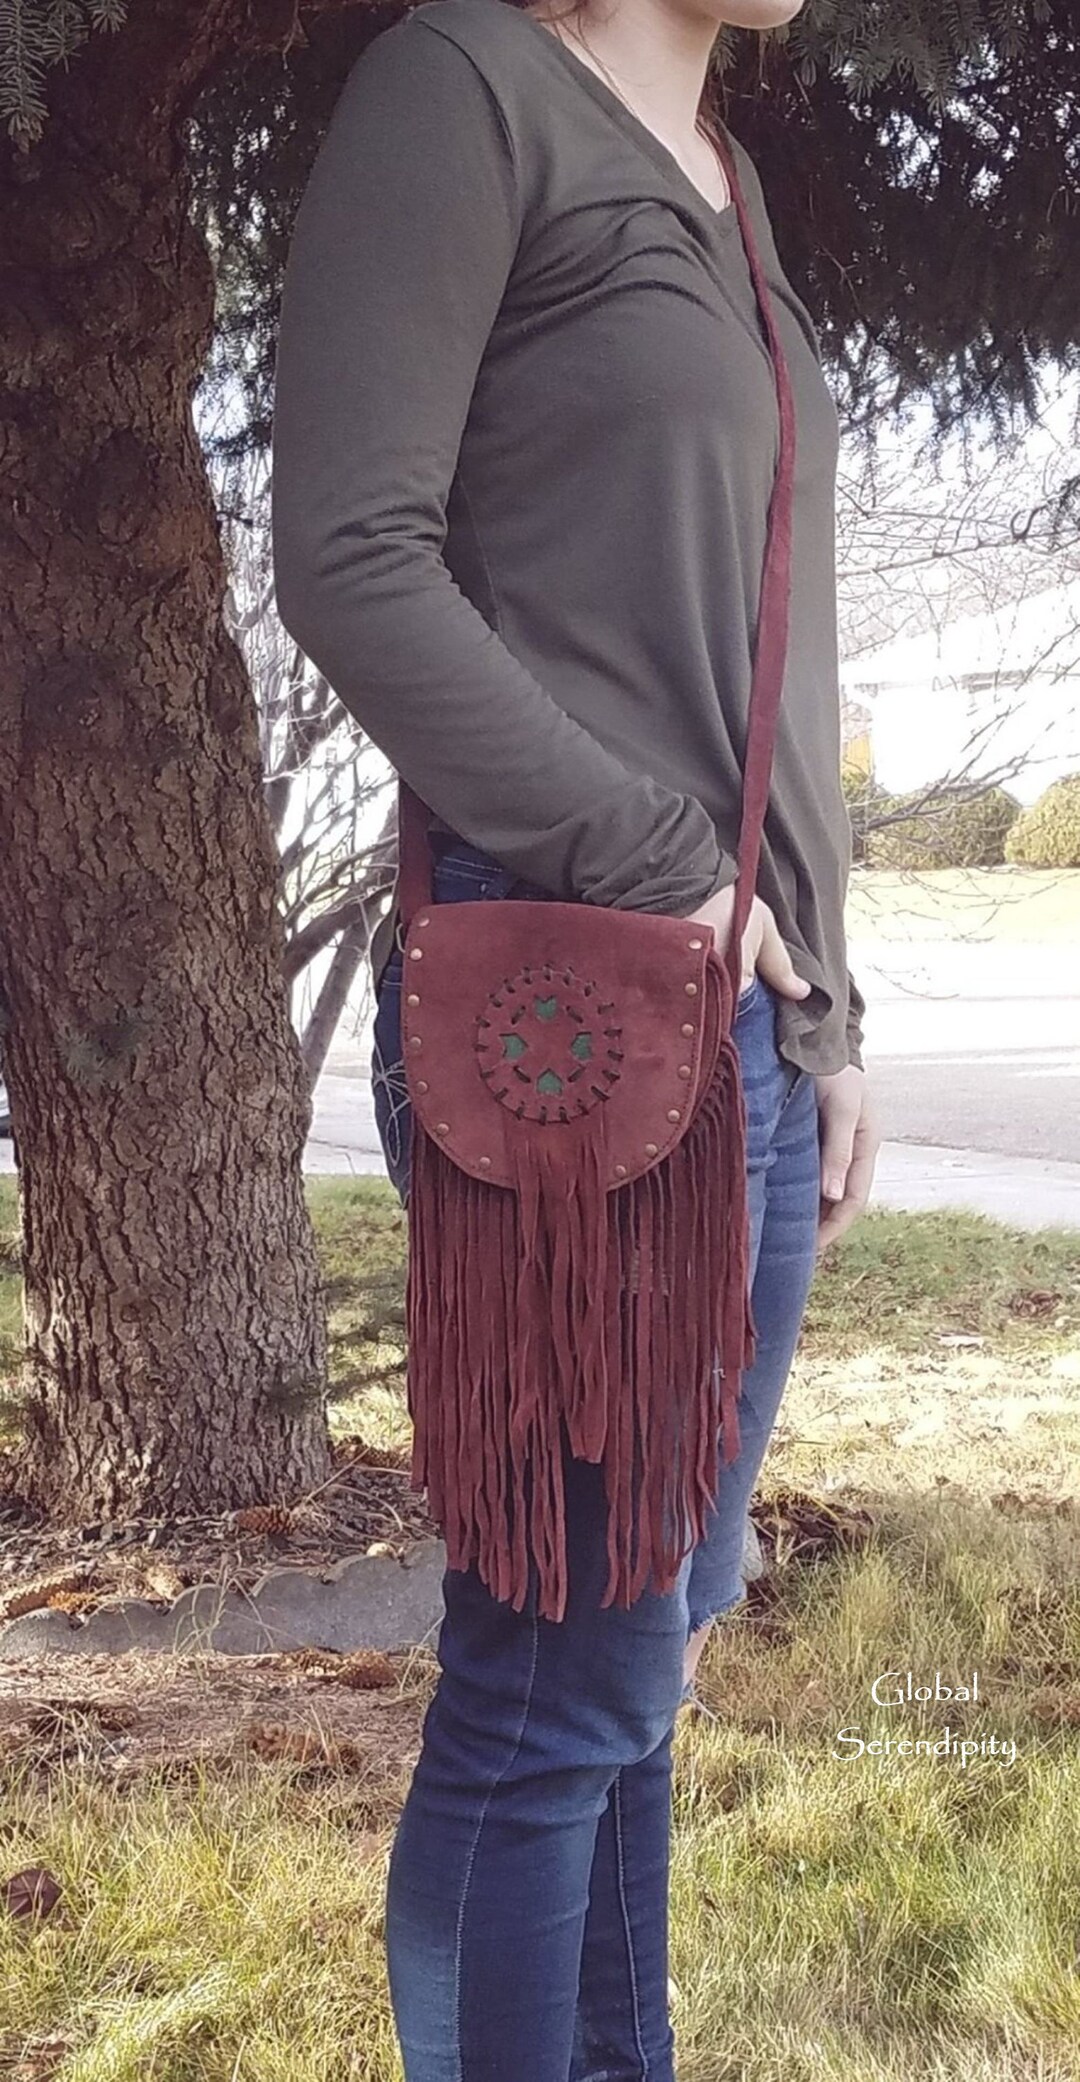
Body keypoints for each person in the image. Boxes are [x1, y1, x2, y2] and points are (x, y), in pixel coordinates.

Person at [271, 0, 881, 2071]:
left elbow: (765, 630)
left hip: (745, 1037)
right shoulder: (466, 88)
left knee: (630, 1689)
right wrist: (655, 866)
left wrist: (830, 990)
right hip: (579, 1030)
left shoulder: (732, 172)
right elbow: (351, 556)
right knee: (548, 1703)